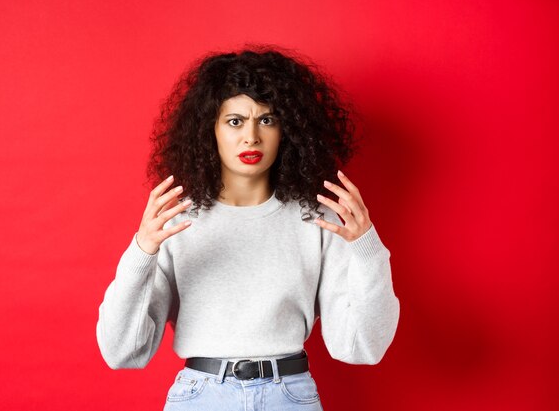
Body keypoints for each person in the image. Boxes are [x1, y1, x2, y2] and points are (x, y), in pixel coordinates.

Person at [96, 44, 400, 410]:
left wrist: (366, 249)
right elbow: (122, 352)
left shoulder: (318, 218)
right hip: (201, 397)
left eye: (267, 120)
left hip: (290, 397)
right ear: (211, 129)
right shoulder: (175, 220)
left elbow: (361, 347)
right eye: (235, 121)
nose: (251, 137)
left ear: (288, 129)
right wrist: (141, 252)